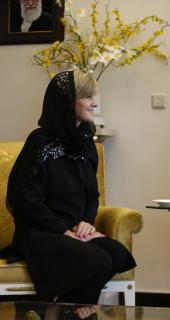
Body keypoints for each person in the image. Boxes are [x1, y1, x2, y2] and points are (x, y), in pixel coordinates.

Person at [2, 70, 136, 304]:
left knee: (117, 253)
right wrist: (64, 232)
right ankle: (76, 311)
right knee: (100, 261)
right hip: (42, 234)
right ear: (67, 102)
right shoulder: (40, 142)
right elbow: (26, 201)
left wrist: (86, 223)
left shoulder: (85, 143)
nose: (95, 104)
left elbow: (92, 194)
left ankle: (62, 309)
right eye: (88, 98)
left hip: (74, 231)